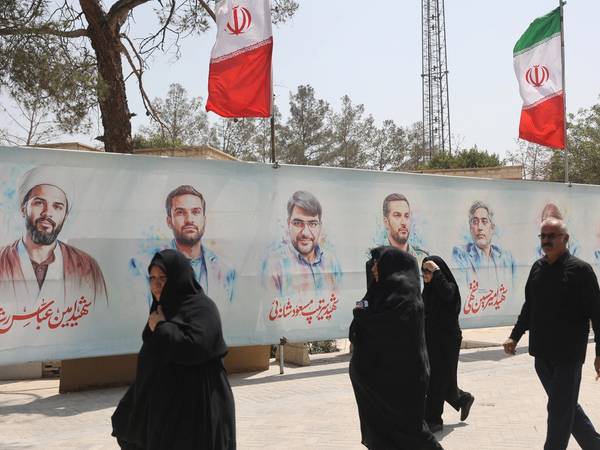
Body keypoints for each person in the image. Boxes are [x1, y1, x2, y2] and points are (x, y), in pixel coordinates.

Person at [112, 249, 236, 450]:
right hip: (167, 413)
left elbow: (195, 348)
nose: (156, 284)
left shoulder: (203, 309)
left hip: (198, 411)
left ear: (179, 277)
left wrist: (161, 327)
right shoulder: (162, 309)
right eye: (152, 278)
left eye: (163, 278)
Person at [503, 218, 600, 450]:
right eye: (543, 236)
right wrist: (515, 336)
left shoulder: (581, 271)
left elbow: (597, 314)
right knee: (564, 406)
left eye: (551, 236)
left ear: (565, 239)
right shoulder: (537, 268)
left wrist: (599, 352)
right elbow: (529, 306)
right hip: (542, 356)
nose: (546, 240)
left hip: (568, 356)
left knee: (558, 409)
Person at [349, 246, 443, 450]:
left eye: (378, 263)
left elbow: (379, 326)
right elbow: (358, 322)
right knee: (383, 435)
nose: (374, 268)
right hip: (376, 386)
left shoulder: (406, 300)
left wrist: (362, 315)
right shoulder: (378, 293)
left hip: (403, 382)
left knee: (412, 432)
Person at [0, 166, 107, 313]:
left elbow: (100, 317)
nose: (47, 213)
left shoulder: (87, 267)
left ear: (65, 215)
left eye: (57, 206)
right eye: (39, 203)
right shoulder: (2, 261)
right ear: (23, 208)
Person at [130, 185, 236, 306]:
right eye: (180, 212)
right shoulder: (142, 266)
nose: (189, 219)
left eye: (195, 212)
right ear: (169, 221)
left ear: (204, 220)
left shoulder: (227, 271)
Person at [421, 256, 474, 433]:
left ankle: (434, 420)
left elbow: (447, 294)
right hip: (431, 340)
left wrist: (436, 272)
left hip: (447, 340)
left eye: (428, 271)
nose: (425, 274)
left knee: (438, 379)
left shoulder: (450, 288)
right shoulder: (428, 291)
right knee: (442, 379)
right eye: (423, 271)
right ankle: (462, 399)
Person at [261, 190, 342, 299]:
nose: (305, 233)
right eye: (298, 223)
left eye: (313, 224)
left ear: (320, 226)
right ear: (288, 224)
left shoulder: (331, 260)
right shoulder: (274, 264)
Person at [452, 200, 516, 312]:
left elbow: (512, 294)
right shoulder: (461, 255)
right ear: (470, 228)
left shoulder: (506, 258)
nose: (479, 227)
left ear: (492, 228)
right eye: (475, 222)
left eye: (484, 221)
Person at [382, 193, 430, 267]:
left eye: (406, 216)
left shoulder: (423, 259)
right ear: (386, 222)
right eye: (397, 215)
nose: (404, 222)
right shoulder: (377, 259)